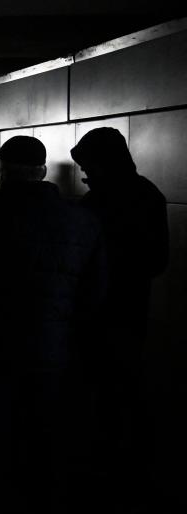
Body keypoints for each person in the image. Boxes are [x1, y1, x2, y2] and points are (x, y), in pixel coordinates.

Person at [0, 136, 107, 512]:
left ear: (1, 172)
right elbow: (94, 300)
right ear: (43, 172)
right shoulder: (83, 220)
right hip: (56, 355)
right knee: (45, 443)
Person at [70, 127, 169, 507]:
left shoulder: (94, 204)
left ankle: (100, 460)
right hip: (130, 306)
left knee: (95, 383)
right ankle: (126, 463)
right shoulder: (149, 195)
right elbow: (158, 260)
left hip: (95, 309)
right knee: (124, 381)